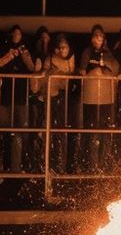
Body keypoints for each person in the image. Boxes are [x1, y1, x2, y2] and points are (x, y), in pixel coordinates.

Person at [78, 25, 119, 173]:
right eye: (95, 36)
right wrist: (94, 72)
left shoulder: (108, 53)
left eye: (100, 36)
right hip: (90, 98)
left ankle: (104, 165)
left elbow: (115, 68)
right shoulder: (87, 52)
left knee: (105, 131)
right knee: (92, 132)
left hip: (106, 98)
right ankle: (91, 165)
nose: (98, 39)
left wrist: (106, 65)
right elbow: (82, 70)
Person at [0, 25, 36, 172]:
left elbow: (32, 68)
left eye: (19, 33)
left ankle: (19, 164)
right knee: (5, 131)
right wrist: (9, 55)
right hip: (5, 97)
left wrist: (24, 55)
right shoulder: (4, 48)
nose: (17, 35)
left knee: (21, 131)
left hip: (21, 97)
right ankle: (6, 164)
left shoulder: (25, 50)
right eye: (14, 33)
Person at [41, 35, 76, 173]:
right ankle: (48, 164)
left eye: (65, 46)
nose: (63, 49)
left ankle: (62, 165)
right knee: (49, 129)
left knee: (63, 130)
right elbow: (44, 73)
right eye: (60, 47)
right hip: (50, 96)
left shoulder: (70, 60)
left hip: (65, 97)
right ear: (56, 48)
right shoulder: (50, 59)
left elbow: (72, 75)